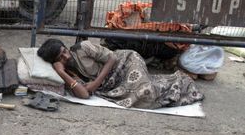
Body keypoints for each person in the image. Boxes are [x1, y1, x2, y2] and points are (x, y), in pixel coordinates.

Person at [37, 38, 204, 109]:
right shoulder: (66, 72)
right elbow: (84, 95)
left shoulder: (83, 47)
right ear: (56, 62)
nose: (66, 56)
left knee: (146, 91)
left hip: (125, 62)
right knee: (144, 94)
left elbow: (112, 57)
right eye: (61, 57)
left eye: (64, 51)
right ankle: (173, 81)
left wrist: (95, 84)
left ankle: (182, 81)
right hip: (113, 83)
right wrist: (61, 73)